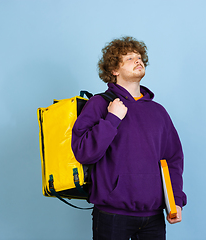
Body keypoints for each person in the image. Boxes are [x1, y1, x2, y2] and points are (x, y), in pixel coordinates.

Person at [72, 36, 187, 240]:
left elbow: (173, 160)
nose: (138, 60)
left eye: (140, 57)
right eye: (129, 58)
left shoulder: (158, 112)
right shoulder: (99, 104)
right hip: (112, 215)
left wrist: (175, 200)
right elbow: (83, 152)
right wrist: (112, 119)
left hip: (154, 217)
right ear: (114, 70)